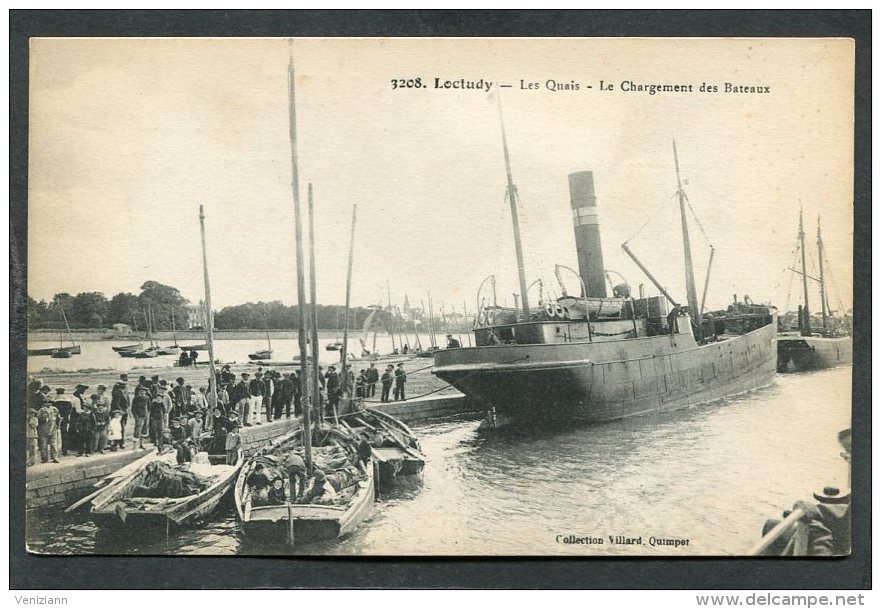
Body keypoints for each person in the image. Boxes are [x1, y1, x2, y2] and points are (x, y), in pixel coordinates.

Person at [37, 397, 61, 463]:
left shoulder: (55, 409)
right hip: (43, 429)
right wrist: (44, 419)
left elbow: (58, 419)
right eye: (46, 402)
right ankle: (44, 459)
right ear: (44, 403)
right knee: (44, 445)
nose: (48, 404)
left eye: (49, 402)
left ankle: (54, 458)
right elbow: (38, 419)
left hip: (53, 429)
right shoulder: (41, 410)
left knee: (54, 444)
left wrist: (58, 427)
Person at [54, 388, 76, 456]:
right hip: (65, 419)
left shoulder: (54, 400)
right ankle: (64, 450)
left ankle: (56, 450)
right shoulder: (67, 400)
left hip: (56, 419)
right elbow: (70, 411)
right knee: (64, 434)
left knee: (55, 434)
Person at [110, 374, 130, 446]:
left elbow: (127, 400)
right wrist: (121, 411)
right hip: (118, 413)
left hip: (123, 412)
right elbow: (116, 403)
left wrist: (127, 408)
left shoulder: (124, 391)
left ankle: (120, 442)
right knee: (117, 428)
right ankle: (117, 443)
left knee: (121, 427)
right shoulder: (117, 392)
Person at [130, 384, 150, 449]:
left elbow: (149, 407)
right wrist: (136, 416)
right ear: (138, 392)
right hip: (138, 416)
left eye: (144, 391)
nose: (142, 392)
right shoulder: (136, 398)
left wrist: (148, 414)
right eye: (141, 391)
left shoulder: (147, 398)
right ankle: (134, 446)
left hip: (145, 415)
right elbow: (133, 408)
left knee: (144, 429)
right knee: (137, 430)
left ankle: (141, 444)